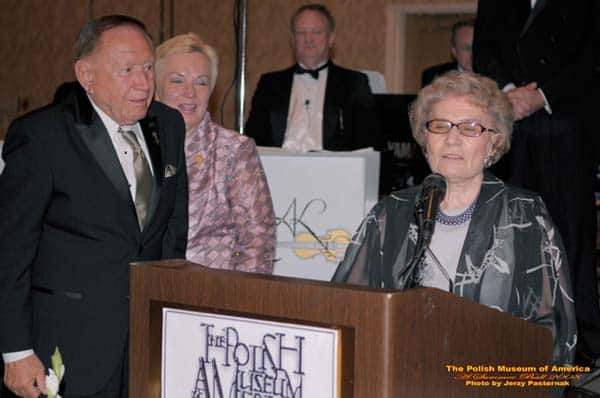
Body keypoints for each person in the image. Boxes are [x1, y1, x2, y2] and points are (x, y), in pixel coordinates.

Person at [0, 15, 188, 397]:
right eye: (127, 70)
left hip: (144, 346)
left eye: (149, 67)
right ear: (86, 75)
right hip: (65, 348)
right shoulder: (42, 137)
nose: (143, 81)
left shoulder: (168, 125)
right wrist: (15, 351)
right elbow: (10, 250)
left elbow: (172, 232)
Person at [332, 72, 576, 365]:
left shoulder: (525, 215)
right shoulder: (390, 213)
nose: (452, 139)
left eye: (469, 128)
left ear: (493, 144)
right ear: (424, 138)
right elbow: (344, 309)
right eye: (440, 126)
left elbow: (554, 336)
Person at [473, 0, 600, 366]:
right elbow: (485, 50)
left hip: (566, 126)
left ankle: (580, 344)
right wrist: (509, 94)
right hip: (508, 127)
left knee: (569, 237)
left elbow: (591, 57)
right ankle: (511, 336)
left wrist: (541, 95)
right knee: (508, 236)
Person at [155, 33, 276, 273]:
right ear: (156, 88)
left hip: (210, 297)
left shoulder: (233, 151)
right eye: (177, 81)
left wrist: (233, 301)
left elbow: (258, 241)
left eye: (201, 82)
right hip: (142, 293)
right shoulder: (135, 146)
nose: (190, 92)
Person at [245, 3, 382, 152]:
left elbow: (369, 144)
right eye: (301, 32)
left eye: (316, 32)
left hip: (333, 171)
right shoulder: (269, 84)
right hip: (277, 170)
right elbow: (252, 141)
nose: (308, 39)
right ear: (293, 39)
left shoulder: (353, 83)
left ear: (331, 38)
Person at [421, 21, 474, 87]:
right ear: (454, 50)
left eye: (477, 48)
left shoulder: (490, 74)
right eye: (466, 48)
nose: (473, 54)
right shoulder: (434, 76)